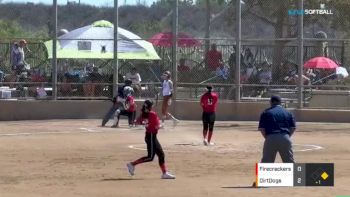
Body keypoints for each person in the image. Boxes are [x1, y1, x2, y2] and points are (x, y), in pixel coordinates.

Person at [126, 100, 176, 179]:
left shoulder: (143, 114)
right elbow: (156, 126)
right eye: (151, 106)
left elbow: (136, 122)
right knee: (150, 157)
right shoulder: (152, 114)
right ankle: (132, 164)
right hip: (151, 136)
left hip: (150, 136)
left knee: (161, 154)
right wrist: (162, 126)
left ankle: (164, 173)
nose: (152, 107)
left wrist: (145, 124)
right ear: (149, 107)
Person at [258, 95, 296, 163]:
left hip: (271, 137)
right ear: (280, 102)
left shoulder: (266, 112)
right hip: (285, 137)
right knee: (289, 161)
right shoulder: (288, 112)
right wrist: (286, 136)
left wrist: (268, 138)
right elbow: (293, 128)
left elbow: (262, 129)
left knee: (267, 162)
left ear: (271, 102)